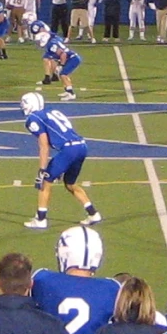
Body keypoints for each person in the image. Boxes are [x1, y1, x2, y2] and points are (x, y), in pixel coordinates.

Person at [20, 91, 99, 232]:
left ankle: (41, 219)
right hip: (81, 146)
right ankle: (93, 213)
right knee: (70, 184)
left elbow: (44, 146)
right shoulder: (52, 112)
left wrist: (42, 170)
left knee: (45, 182)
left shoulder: (34, 118)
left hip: (69, 150)